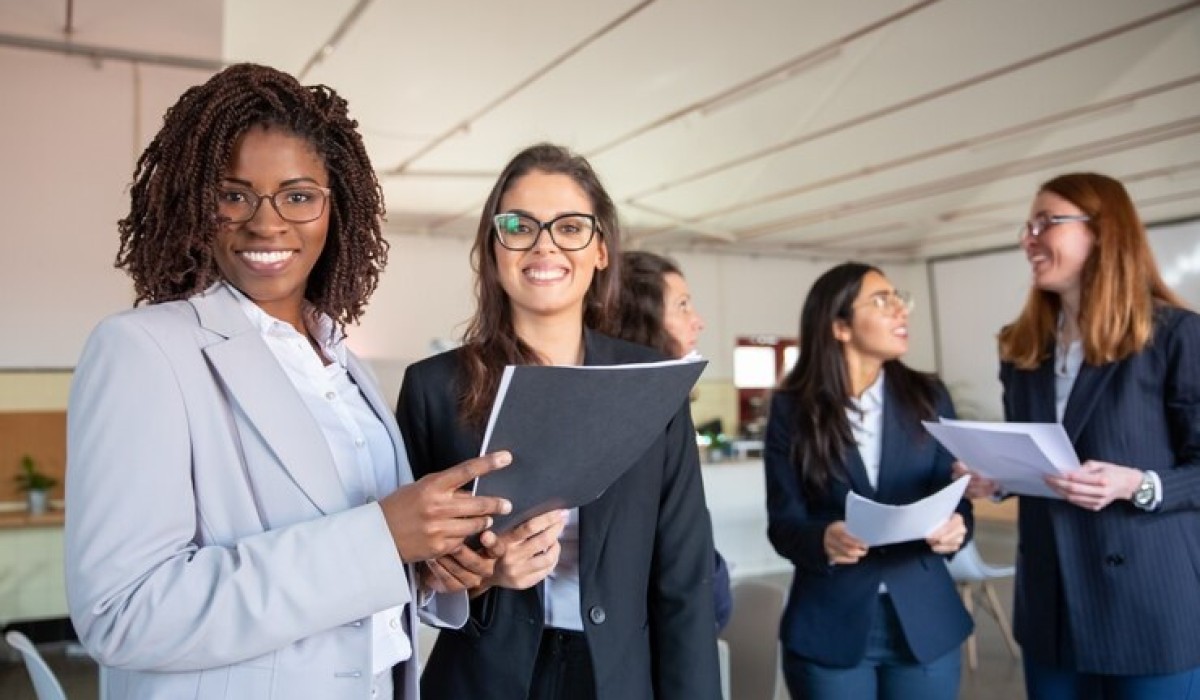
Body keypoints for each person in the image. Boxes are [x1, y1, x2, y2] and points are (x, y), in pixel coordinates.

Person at [64, 63, 512, 700]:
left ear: (337, 207)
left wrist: (430, 565)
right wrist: (380, 538)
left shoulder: (340, 361)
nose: (267, 223)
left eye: (299, 195)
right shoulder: (144, 350)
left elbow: (367, 572)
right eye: (234, 194)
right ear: (198, 202)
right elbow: (123, 613)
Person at [394, 143, 721, 700]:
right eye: (519, 225)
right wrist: (482, 577)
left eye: (570, 227)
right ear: (494, 249)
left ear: (600, 251)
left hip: (618, 675)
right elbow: (405, 573)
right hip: (482, 677)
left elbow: (684, 579)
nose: (544, 244)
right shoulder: (434, 388)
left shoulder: (652, 383)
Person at [958, 172, 1200, 699]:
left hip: (1148, 607)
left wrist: (1138, 483)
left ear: (1104, 232)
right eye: (1028, 225)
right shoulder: (1021, 349)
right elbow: (1038, 461)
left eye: (1047, 222)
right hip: (1052, 607)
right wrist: (995, 477)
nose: (1029, 238)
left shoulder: (1178, 336)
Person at [764, 262, 972, 700]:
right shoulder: (791, 410)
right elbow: (783, 525)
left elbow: (956, 499)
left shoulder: (930, 396)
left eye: (900, 299)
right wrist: (824, 539)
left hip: (925, 621)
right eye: (882, 301)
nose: (900, 311)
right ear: (840, 326)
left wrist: (958, 528)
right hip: (829, 623)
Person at [613, 249, 733, 630]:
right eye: (682, 306)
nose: (698, 322)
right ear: (642, 318)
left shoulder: (666, 407)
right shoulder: (629, 419)